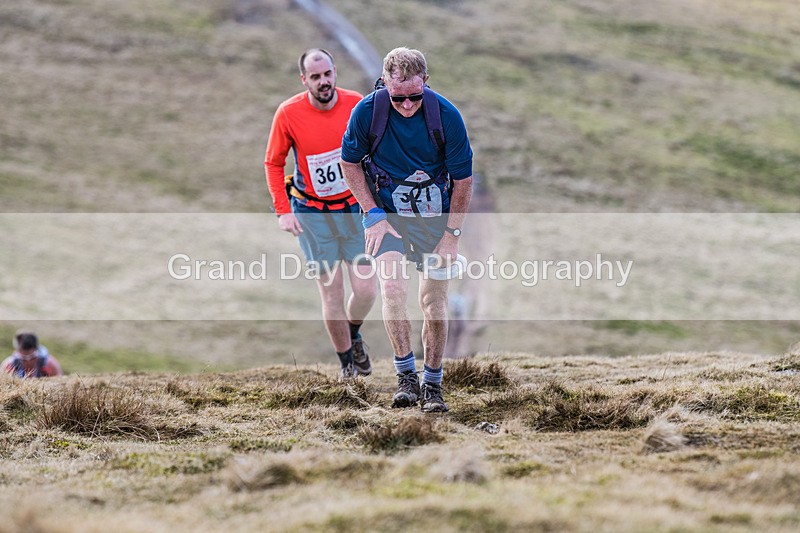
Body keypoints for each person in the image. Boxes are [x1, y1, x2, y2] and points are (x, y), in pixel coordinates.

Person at [340, 47, 474, 412]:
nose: (408, 105)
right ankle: (406, 379)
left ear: (425, 83)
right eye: (398, 97)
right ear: (384, 84)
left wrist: (452, 236)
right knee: (394, 289)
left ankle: (433, 384)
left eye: (416, 95)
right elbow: (349, 164)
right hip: (388, 214)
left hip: (435, 217)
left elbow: (462, 180)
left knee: (433, 301)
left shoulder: (446, 116)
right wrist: (372, 214)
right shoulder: (368, 112)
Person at [264, 48, 378, 381]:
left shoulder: (355, 103)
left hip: (354, 208)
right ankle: (347, 368)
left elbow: (373, 149)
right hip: (313, 213)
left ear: (334, 71)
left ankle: (353, 334)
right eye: (315, 77)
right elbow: (273, 163)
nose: (323, 81)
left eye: (327, 74)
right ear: (304, 80)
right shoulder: (288, 113)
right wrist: (283, 212)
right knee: (332, 291)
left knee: (367, 290)